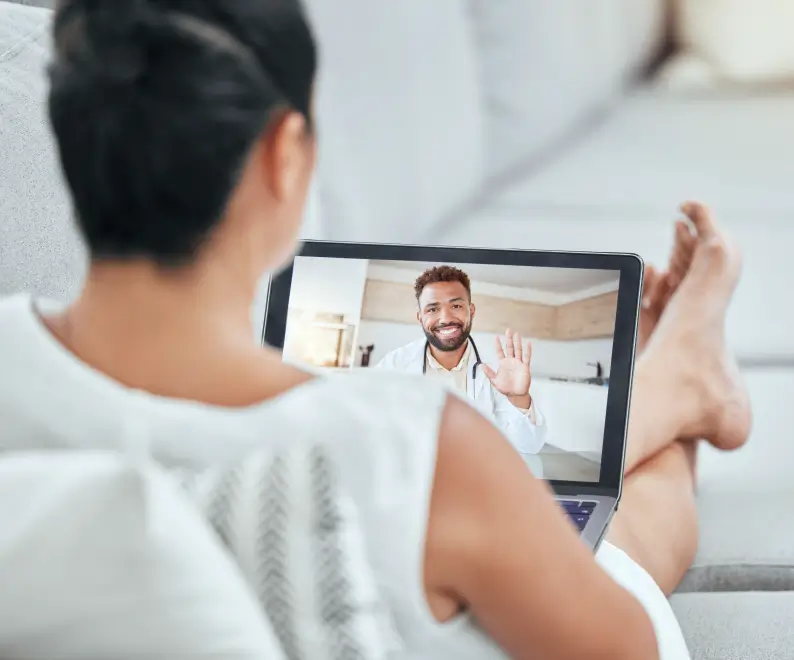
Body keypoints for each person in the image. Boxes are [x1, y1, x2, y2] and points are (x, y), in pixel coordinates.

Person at [0, 1, 753, 659]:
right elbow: (630, 651)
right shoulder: (408, 444)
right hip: (490, 562)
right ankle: (682, 387)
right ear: (283, 155)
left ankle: (678, 382)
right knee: (622, 542)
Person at [375, 265, 547, 469]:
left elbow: (529, 446)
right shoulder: (395, 364)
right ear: (420, 317)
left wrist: (518, 398)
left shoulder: (497, 368)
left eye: (456, 306)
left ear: (471, 310)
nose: (446, 318)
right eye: (432, 309)